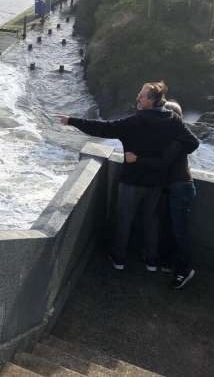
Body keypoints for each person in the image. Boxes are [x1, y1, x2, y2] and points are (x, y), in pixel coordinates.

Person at [55, 82, 199, 272]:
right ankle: (151, 261)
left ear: (153, 100)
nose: (138, 98)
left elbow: (102, 129)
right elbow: (192, 143)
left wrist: (71, 121)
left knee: (124, 219)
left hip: (132, 181)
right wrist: (169, 154)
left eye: (142, 96)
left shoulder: (134, 122)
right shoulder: (173, 121)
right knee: (151, 222)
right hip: (156, 183)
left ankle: (119, 259)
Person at [125, 100, 197, 290]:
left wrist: (137, 159)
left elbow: (163, 163)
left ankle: (184, 270)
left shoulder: (178, 140)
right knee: (168, 227)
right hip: (171, 188)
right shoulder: (171, 137)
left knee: (181, 232)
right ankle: (167, 262)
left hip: (181, 188)